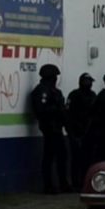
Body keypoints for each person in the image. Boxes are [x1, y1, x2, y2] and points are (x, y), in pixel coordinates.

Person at [30, 64, 70, 194]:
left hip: (57, 127)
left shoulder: (55, 91)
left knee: (62, 156)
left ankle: (62, 183)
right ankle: (48, 185)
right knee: (49, 157)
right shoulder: (42, 91)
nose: (56, 79)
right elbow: (41, 110)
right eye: (54, 76)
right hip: (49, 127)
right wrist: (56, 110)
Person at [65, 73, 96, 189]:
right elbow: (68, 114)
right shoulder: (74, 95)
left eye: (90, 82)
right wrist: (71, 133)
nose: (89, 84)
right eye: (87, 82)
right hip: (76, 131)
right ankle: (76, 183)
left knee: (88, 159)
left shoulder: (93, 95)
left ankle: (85, 181)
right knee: (76, 159)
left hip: (89, 132)